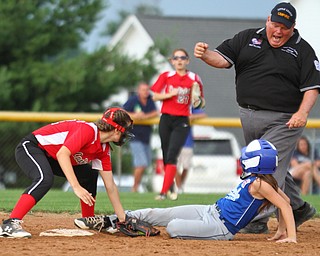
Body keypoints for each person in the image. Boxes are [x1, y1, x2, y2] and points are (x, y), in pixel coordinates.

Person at [193, 2, 319, 234]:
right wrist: (205, 54)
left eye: (285, 27)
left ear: (293, 28)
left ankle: (256, 218)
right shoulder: (247, 38)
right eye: (276, 25)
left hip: (285, 120)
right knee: (270, 165)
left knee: (263, 166)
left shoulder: (303, 50)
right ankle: (299, 209)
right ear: (267, 21)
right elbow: (222, 59)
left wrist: (302, 113)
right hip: (249, 115)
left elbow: (312, 87)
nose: (279, 31)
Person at [74, 139, 297, 243]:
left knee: (172, 228)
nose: (244, 159)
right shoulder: (257, 179)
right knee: (157, 213)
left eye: (248, 156)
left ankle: (138, 228)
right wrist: (281, 231)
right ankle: (113, 220)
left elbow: (285, 205)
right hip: (209, 210)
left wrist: (291, 237)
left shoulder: (262, 184)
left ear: (257, 161)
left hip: (221, 227)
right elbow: (284, 202)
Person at [0, 107, 134, 238]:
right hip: (32, 147)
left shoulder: (103, 149)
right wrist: (76, 187)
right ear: (117, 130)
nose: (126, 134)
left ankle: (88, 220)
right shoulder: (88, 130)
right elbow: (62, 154)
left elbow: (110, 186)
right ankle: (10, 223)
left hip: (52, 156)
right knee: (44, 179)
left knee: (89, 174)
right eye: (126, 130)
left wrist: (122, 219)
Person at [151, 48, 205, 200]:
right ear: (172, 61)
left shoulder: (194, 78)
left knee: (172, 153)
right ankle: (171, 188)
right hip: (166, 118)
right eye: (176, 58)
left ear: (187, 60)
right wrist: (170, 94)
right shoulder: (166, 76)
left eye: (183, 57)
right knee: (166, 153)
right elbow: (154, 96)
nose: (179, 60)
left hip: (182, 120)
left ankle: (162, 193)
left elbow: (200, 102)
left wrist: (197, 100)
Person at [123, 82, 158, 192]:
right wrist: (135, 116)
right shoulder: (133, 100)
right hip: (135, 136)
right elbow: (122, 111)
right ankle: (135, 187)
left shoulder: (150, 100)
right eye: (143, 90)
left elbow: (156, 112)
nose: (145, 92)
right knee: (141, 163)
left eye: (147, 90)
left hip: (146, 137)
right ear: (139, 90)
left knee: (144, 163)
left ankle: (136, 186)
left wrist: (144, 116)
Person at [173, 107, 207, 195]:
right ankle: (179, 187)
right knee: (174, 166)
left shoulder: (190, 105)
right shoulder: (173, 104)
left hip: (187, 142)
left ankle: (180, 186)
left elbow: (202, 114)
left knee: (186, 166)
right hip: (174, 140)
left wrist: (188, 117)